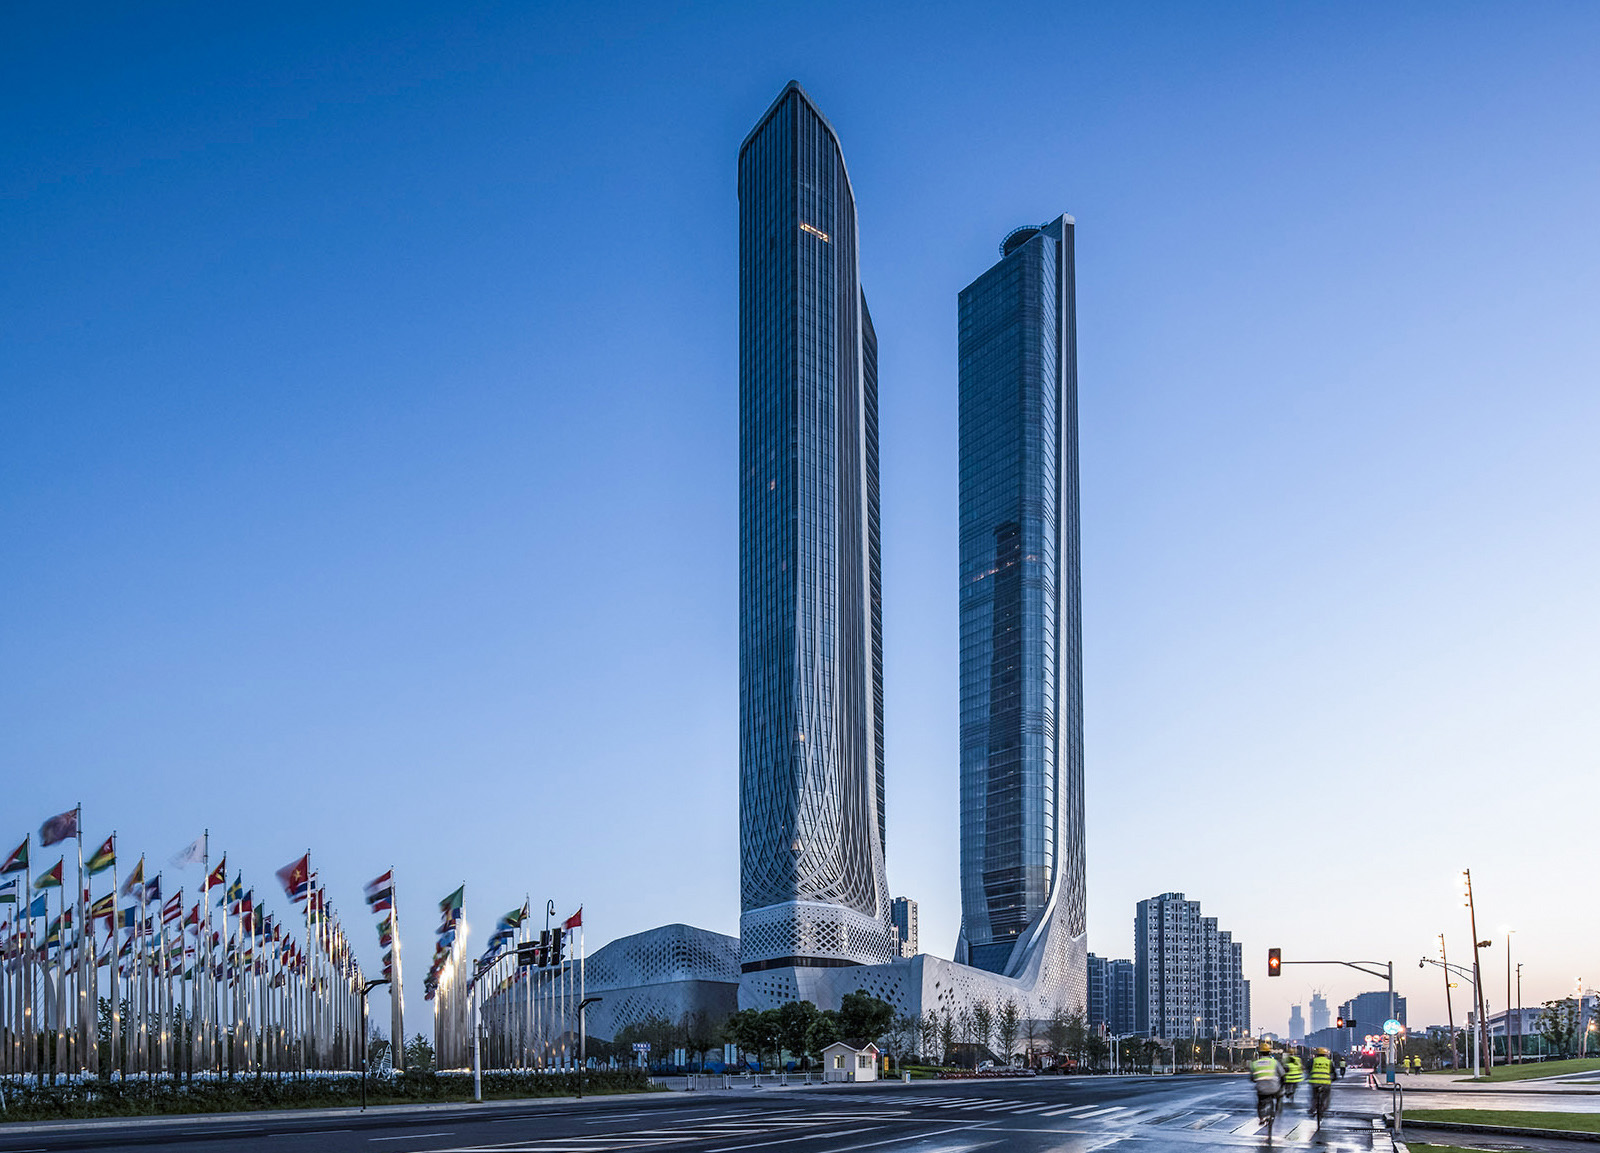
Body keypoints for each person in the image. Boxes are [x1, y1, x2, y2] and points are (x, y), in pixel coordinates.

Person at [1250, 1041, 1286, 1121]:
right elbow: (1282, 1075)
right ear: (1269, 1052)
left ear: (1259, 1053)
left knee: (1260, 1100)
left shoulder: (1254, 1064)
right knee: (1279, 1096)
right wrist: (1282, 1084)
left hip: (1261, 1089)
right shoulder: (1274, 1062)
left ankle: (1261, 1117)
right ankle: (1277, 1109)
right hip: (1274, 1088)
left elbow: (1252, 1078)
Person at [1308, 1046, 1334, 1117]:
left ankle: (1313, 1108)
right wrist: (1334, 1078)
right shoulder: (1329, 1062)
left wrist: (1309, 1075)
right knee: (1326, 1096)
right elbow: (1333, 1072)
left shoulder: (1313, 1061)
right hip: (1326, 1082)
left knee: (1314, 1096)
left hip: (1314, 1081)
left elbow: (1308, 1069)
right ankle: (1324, 1107)